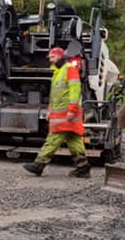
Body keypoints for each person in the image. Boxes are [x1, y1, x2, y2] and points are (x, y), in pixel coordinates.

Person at [22, 46, 90, 178]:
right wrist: (50, 109)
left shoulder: (69, 70)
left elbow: (75, 91)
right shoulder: (58, 72)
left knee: (53, 140)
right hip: (64, 115)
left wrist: (72, 110)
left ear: (59, 56)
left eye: (52, 57)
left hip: (66, 115)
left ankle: (39, 165)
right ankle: (83, 168)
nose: (50, 60)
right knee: (74, 141)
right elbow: (55, 95)